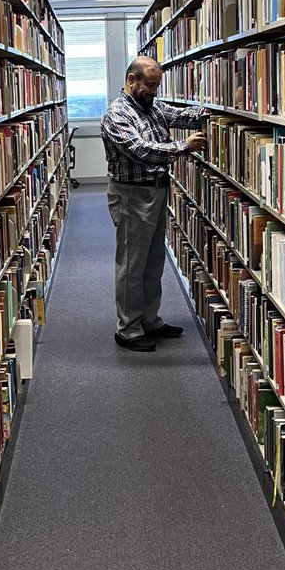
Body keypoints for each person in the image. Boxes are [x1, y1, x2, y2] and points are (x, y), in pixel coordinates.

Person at [100, 56, 208, 352]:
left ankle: (149, 319)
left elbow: (179, 116)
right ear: (131, 80)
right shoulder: (117, 114)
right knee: (132, 264)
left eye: (157, 86)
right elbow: (141, 151)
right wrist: (183, 146)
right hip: (131, 194)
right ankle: (128, 328)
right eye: (150, 85)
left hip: (156, 191)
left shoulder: (152, 106)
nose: (154, 91)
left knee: (153, 260)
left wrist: (210, 112)